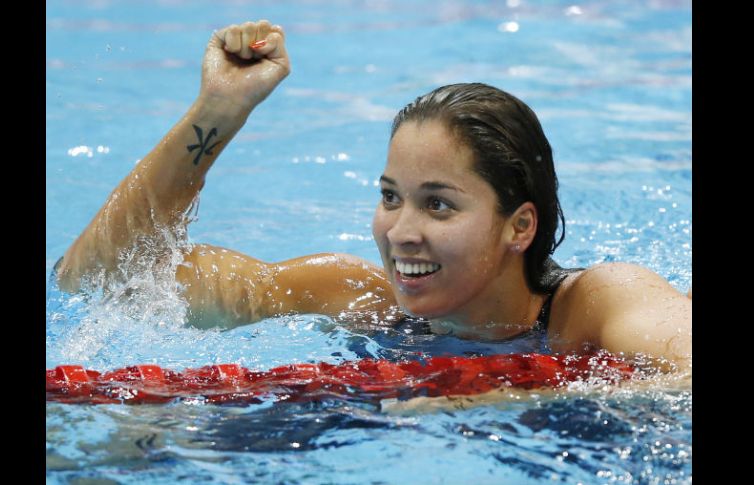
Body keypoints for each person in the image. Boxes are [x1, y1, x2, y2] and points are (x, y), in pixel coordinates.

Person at [55, 20, 692, 371]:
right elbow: (99, 278)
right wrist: (218, 111)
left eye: (438, 204)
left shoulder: (595, 305)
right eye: (392, 197)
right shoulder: (356, 297)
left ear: (518, 226)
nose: (401, 231)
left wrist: (509, 392)